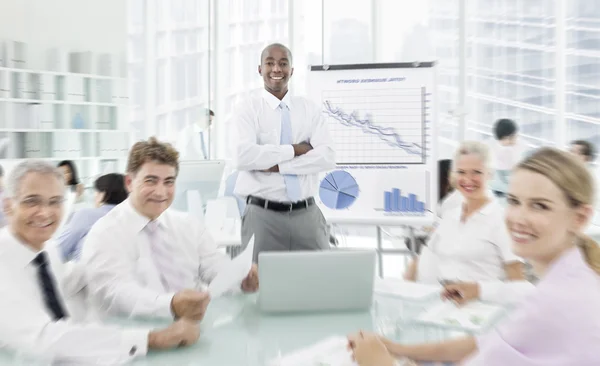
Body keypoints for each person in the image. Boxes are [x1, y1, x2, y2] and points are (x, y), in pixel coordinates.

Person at [349, 148, 600, 365]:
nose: (518, 218)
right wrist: (398, 349)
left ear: (579, 218)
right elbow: (488, 342)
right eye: (514, 201)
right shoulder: (568, 280)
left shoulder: (554, 303)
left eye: (540, 205)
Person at [0, 160, 200, 364]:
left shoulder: (45, 249)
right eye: (32, 201)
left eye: (54, 201)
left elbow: (72, 278)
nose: (45, 212)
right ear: (8, 205)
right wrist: (152, 338)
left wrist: (116, 261)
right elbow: (44, 338)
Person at [81, 137, 258, 320]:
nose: (161, 192)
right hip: (137, 336)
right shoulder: (105, 233)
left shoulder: (188, 225)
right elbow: (116, 293)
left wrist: (240, 280)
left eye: (169, 182)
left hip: (195, 328)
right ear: (129, 183)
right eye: (151, 181)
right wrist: (171, 305)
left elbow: (213, 265)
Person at [229, 43, 336, 263]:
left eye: (283, 63)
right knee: (256, 289)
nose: (276, 69)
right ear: (260, 69)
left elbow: (326, 156)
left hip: (306, 215)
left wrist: (277, 165)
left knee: (321, 284)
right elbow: (244, 156)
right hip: (261, 216)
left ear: (292, 70)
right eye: (270, 63)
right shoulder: (247, 109)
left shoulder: (308, 109)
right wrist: (295, 150)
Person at [403, 141, 526, 303]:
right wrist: (404, 294)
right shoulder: (450, 216)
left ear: (489, 174)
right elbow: (423, 258)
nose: (468, 179)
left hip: (483, 311)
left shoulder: (502, 220)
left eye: (476, 172)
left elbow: (517, 284)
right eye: (461, 172)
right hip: (444, 305)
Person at [56, 173, 128, 262]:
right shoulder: (131, 219)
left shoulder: (86, 215)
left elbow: (59, 251)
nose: (94, 196)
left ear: (102, 194)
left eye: (96, 192)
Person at [488, 119, 528, 197]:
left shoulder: (521, 145)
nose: (511, 140)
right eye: (507, 138)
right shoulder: (491, 146)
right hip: (498, 182)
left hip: (517, 178)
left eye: (513, 136)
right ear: (500, 138)